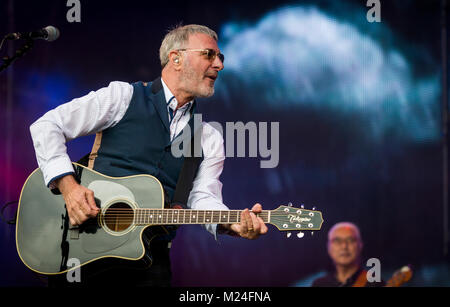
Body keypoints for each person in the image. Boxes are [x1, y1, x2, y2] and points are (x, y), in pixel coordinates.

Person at [29, 24, 268, 287]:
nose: (219, 65)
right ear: (176, 58)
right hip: (84, 254)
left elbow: (203, 197)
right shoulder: (123, 96)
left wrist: (229, 223)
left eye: (220, 57)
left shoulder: (209, 137)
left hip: (150, 264)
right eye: (209, 55)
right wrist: (69, 187)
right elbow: (47, 126)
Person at [311, 222, 384, 287]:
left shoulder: (374, 283)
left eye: (350, 240)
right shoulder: (319, 284)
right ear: (328, 247)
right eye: (337, 241)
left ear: (360, 245)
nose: (344, 246)